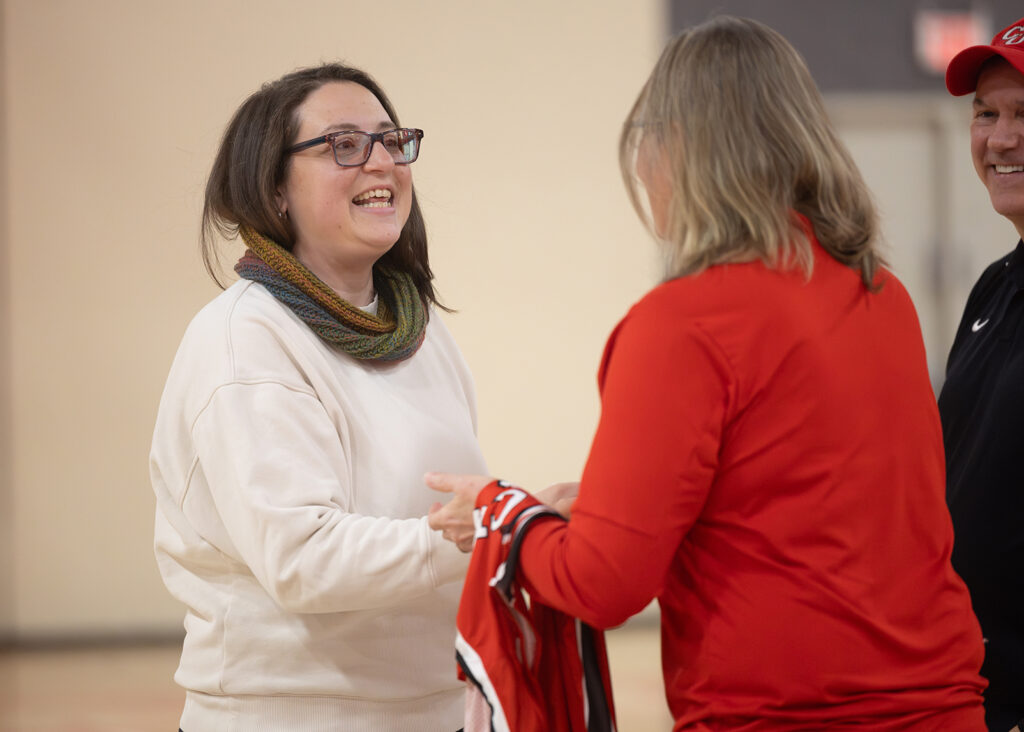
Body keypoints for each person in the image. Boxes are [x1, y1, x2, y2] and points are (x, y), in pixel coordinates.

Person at [427, 16, 988, 731]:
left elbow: (601, 586)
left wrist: (500, 515)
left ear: (678, 150)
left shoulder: (682, 322)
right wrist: (605, 508)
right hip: (939, 705)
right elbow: (805, 501)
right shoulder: (883, 293)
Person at [149, 63, 486, 732]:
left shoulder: (420, 327)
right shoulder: (246, 338)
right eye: (344, 145)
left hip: (431, 707)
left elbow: (447, 519)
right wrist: (468, 535)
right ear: (275, 189)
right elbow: (303, 561)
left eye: (391, 141)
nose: (381, 162)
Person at [941, 18, 1024, 732]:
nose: (1001, 139)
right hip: (970, 683)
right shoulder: (994, 288)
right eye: (987, 114)